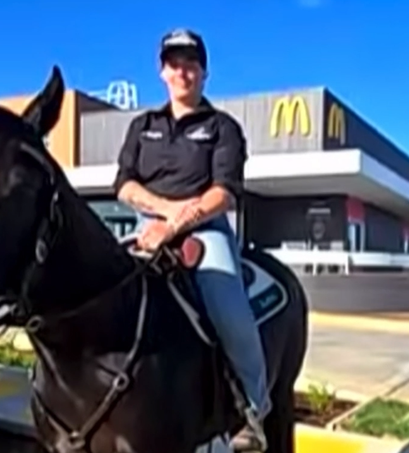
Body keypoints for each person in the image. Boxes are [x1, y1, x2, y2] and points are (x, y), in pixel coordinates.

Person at [112, 28, 270, 452]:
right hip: (149, 227)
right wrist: (163, 215)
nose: (183, 71)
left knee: (229, 309)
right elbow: (123, 185)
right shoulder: (142, 125)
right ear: (162, 71)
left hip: (205, 231)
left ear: (204, 72)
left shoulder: (223, 127)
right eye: (174, 63)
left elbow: (223, 193)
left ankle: (254, 410)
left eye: (191, 63)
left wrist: (178, 223)